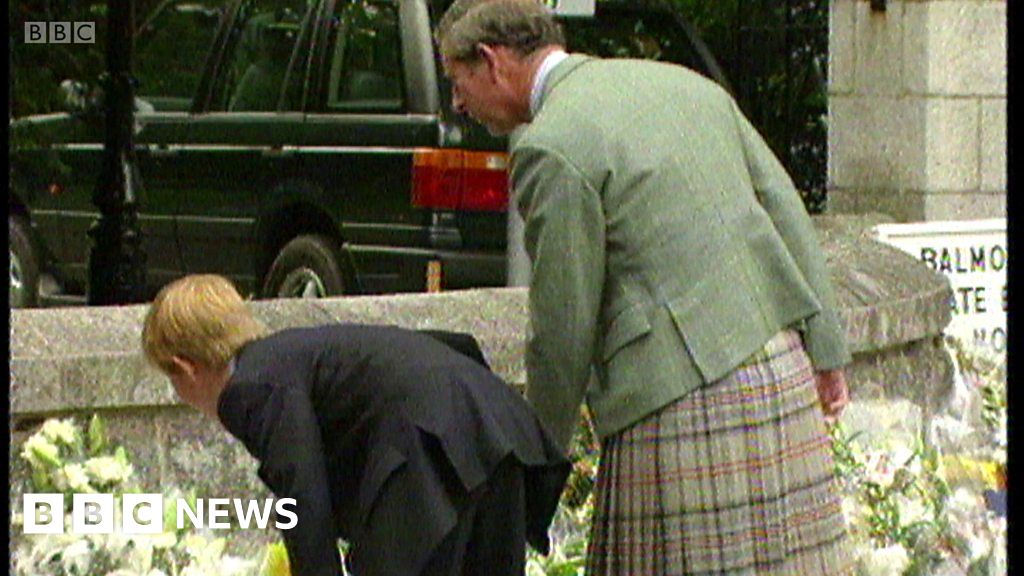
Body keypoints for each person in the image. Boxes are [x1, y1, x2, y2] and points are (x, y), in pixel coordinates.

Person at [435, 1, 854, 573]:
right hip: (781, 372)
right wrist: (826, 350)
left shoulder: (551, 146)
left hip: (677, 409)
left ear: (492, 61)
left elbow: (563, 329)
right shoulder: (686, 86)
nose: (459, 103)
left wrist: (539, 463)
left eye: (458, 82)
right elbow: (784, 207)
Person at [141, 274, 570, 576]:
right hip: (493, 429)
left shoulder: (250, 386)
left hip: (426, 452)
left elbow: (302, 491)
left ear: (186, 367)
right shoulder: (293, 355)